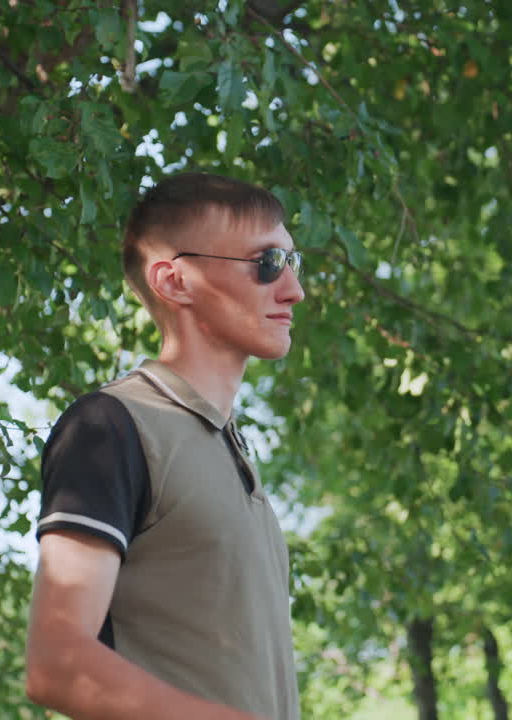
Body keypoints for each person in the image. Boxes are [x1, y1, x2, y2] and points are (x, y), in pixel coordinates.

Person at [25, 172, 306, 720]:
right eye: (267, 263)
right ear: (175, 282)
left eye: (294, 264)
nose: (293, 289)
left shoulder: (231, 446)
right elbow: (57, 663)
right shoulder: (112, 426)